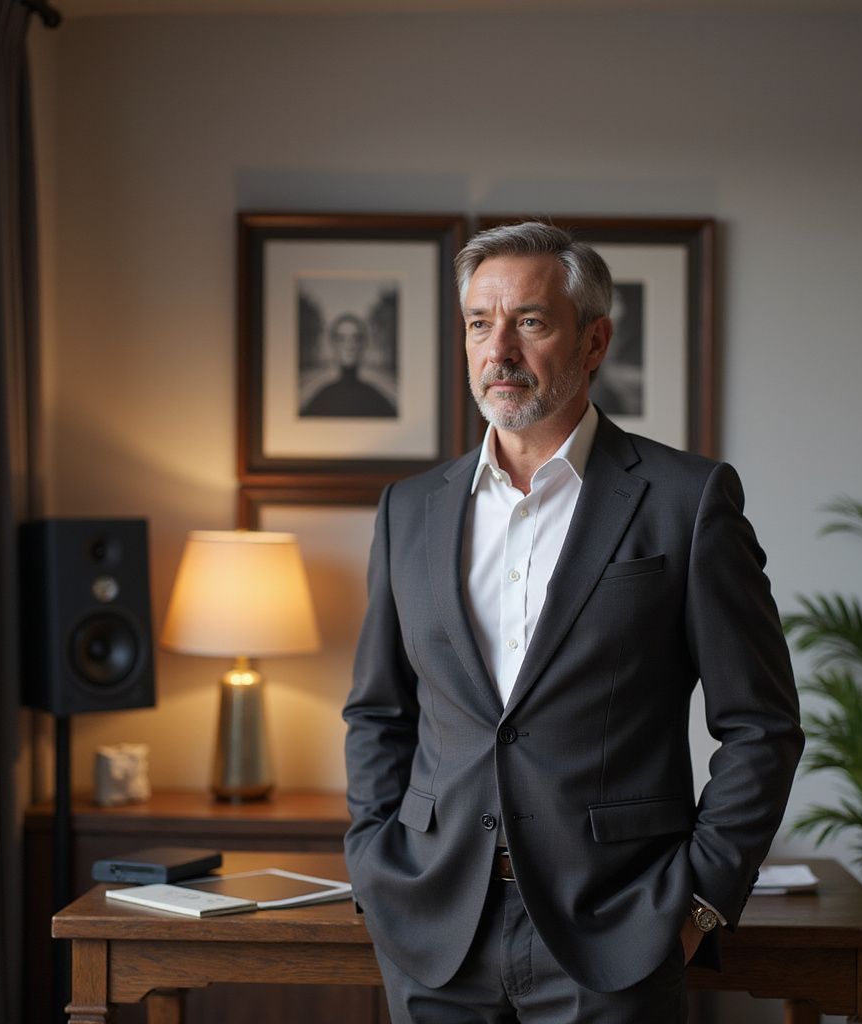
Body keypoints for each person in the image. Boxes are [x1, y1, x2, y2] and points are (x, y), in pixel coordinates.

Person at [343, 222, 804, 1023]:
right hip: (432, 927)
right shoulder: (408, 511)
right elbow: (379, 712)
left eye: (530, 320)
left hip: (615, 933)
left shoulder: (685, 502)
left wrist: (698, 904)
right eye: (480, 323)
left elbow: (761, 726)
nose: (500, 350)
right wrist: (375, 864)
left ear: (595, 341)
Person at [301, 312, 395, 417]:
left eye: (356, 338)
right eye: (342, 339)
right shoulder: (319, 401)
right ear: (333, 345)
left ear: (364, 345)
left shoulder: (379, 402)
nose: (350, 345)